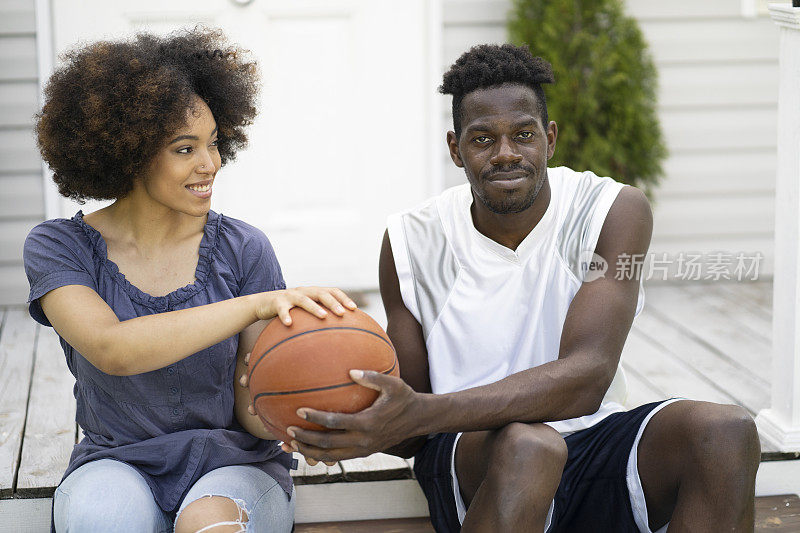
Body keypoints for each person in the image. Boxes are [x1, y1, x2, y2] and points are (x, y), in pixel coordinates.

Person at [279, 44, 762, 532]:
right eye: (483, 138)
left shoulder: (610, 211)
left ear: (549, 139)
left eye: (524, 135)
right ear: (455, 148)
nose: (506, 153)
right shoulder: (411, 239)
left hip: (593, 437)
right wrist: (342, 425)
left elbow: (588, 377)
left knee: (726, 431)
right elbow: (410, 431)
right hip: (474, 454)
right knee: (531, 446)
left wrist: (420, 413)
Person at [24, 28, 355, 533]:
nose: (210, 164)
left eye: (215, 143)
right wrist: (253, 305)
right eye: (185, 149)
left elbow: (249, 412)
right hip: (118, 461)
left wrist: (298, 420)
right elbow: (114, 349)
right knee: (102, 520)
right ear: (130, 152)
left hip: (233, 465)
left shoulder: (244, 249)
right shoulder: (60, 246)